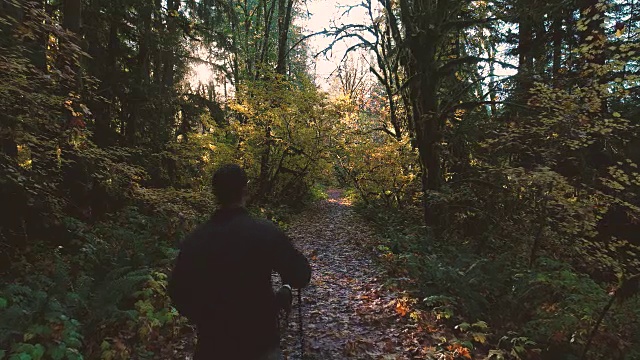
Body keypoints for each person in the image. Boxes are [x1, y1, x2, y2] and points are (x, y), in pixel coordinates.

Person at [168, 164, 311, 360]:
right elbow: (301, 275)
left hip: (212, 346)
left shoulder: (196, 239)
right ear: (245, 190)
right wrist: (280, 294)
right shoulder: (264, 232)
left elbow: (178, 292)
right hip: (260, 343)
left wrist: (207, 316)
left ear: (215, 193)